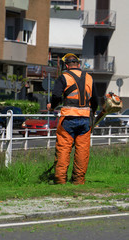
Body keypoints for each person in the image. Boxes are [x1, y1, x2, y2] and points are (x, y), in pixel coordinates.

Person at [47, 53, 98, 185]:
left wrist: (52, 107)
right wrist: (93, 112)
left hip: (68, 118)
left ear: (67, 66)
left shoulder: (63, 77)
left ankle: (60, 179)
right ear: (79, 64)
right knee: (82, 150)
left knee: (64, 149)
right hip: (85, 118)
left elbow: (57, 96)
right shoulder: (89, 78)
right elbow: (95, 100)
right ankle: (78, 180)